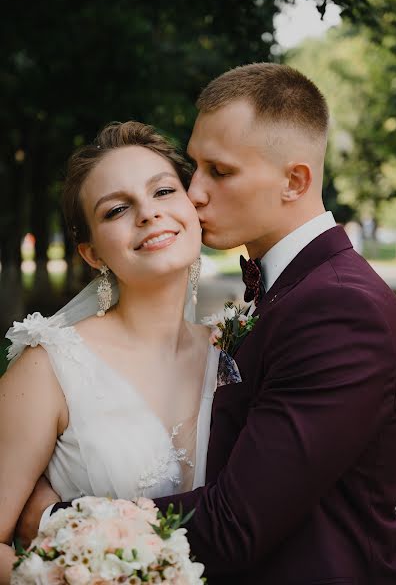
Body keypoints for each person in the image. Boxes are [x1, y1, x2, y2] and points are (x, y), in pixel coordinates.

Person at [18, 63, 396, 583]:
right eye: (193, 167)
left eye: (219, 172)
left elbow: (235, 523)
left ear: (295, 180)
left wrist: (57, 521)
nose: (193, 192)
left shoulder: (339, 308)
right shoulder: (269, 304)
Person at [0, 121, 239, 583]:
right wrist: (73, 576)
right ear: (92, 255)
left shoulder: (234, 356)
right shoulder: (50, 367)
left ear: (192, 205)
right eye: (116, 210)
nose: (149, 214)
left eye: (164, 191)